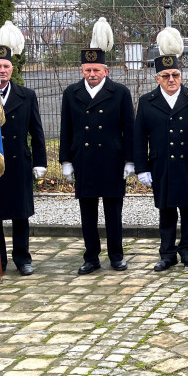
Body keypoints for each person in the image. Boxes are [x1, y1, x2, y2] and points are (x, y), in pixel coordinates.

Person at [59, 18, 136, 274]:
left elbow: (129, 129)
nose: (91, 75)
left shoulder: (120, 92)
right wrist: (66, 160)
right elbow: (66, 128)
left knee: (113, 211)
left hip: (112, 159)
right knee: (88, 212)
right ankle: (91, 257)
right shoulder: (71, 93)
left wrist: (130, 160)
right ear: (82, 70)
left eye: (96, 70)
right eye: (87, 70)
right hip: (84, 158)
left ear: (106, 70)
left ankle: (116, 255)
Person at [134, 27, 188, 271]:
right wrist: (142, 168)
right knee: (166, 211)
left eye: (176, 75)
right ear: (157, 78)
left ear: (181, 75)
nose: (171, 79)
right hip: (162, 165)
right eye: (166, 75)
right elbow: (140, 138)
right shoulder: (147, 102)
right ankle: (167, 254)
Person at [0, 22, 46, 277]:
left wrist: (40, 162)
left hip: (18, 163)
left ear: (12, 69)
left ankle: (22, 259)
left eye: (6, 66)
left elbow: (36, 131)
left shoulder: (26, 95)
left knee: (20, 214)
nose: (2, 71)